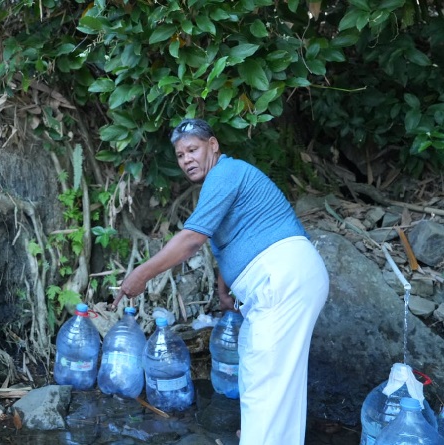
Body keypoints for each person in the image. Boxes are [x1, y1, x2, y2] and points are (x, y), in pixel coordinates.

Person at [113, 118, 329, 445]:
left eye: (192, 150)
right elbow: (229, 238)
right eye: (180, 154)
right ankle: (260, 434)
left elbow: (192, 240)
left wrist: (141, 274)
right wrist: (224, 288)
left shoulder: (225, 173)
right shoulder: (222, 180)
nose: (186, 159)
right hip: (283, 278)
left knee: (266, 376)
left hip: (283, 276)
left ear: (213, 146)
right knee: (265, 371)